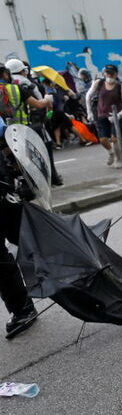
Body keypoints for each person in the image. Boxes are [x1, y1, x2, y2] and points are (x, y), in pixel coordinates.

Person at [0, 120, 39, 338]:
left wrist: (22, 177)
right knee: (31, 242)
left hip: (4, 193)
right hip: (6, 191)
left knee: (31, 243)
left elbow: (7, 141)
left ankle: (23, 309)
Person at [4, 59, 62, 186]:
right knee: (44, 150)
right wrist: (48, 103)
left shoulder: (5, 87)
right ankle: (52, 178)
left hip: (7, 128)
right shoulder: (25, 84)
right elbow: (39, 103)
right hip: (31, 124)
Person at [85, 64, 122, 168]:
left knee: (115, 139)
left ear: (116, 74)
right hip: (102, 115)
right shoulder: (99, 83)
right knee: (103, 140)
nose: (109, 75)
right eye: (107, 73)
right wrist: (89, 112)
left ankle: (118, 159)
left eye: (111, 73)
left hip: (116, 115)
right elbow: (88, 96)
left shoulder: (121, 87)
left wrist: (119, 115)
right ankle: (111, 153)